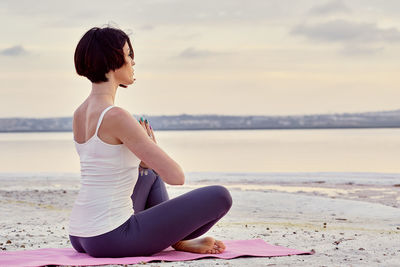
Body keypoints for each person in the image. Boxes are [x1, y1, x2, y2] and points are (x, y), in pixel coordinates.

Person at [68, 26, 232, 258]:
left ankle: (179, 240)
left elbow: (107, 170)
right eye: (128, 54)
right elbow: (177, 177)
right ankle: (180, 241)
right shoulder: (116, 116)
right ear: (112, 59)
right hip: (110, 238)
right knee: (220, 196)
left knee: (149, 174)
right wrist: (152, 147)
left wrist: (145, 161)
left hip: (80, 234)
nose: (133, 62)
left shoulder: (80, 113)